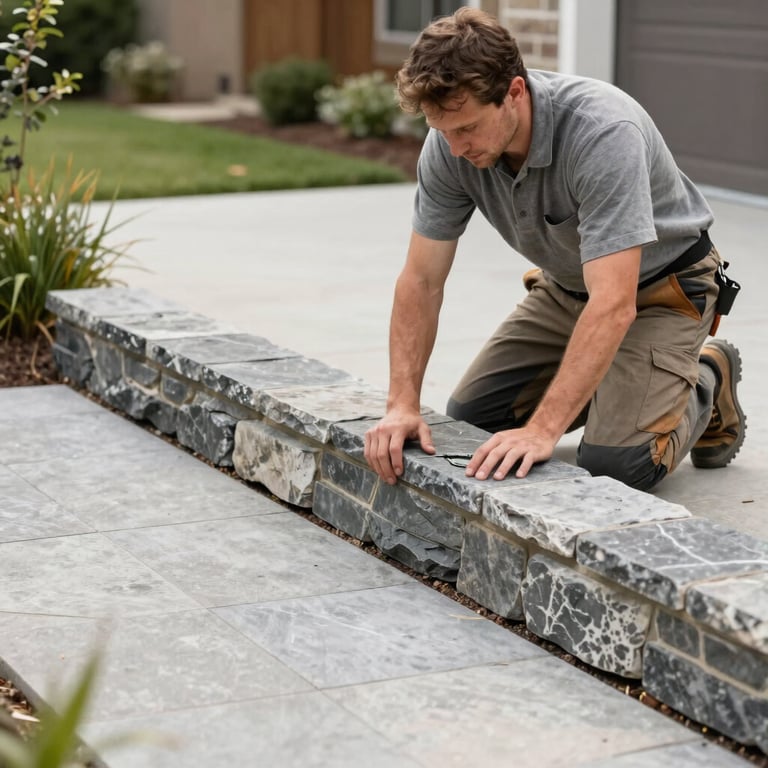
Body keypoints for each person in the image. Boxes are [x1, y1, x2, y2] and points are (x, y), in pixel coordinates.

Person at [363, 7, 745, 492]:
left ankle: (708, 376)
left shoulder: (602, 133)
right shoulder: (448, 145)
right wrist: (402, 404)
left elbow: (613, 304)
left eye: (467, 129)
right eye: (443, 131)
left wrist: (544, 430)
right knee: (473, 420)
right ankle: (623, 388)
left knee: (617, 464)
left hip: (663, 292)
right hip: (568, 289)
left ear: (514, 93)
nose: (455, 149)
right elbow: (421, 280)